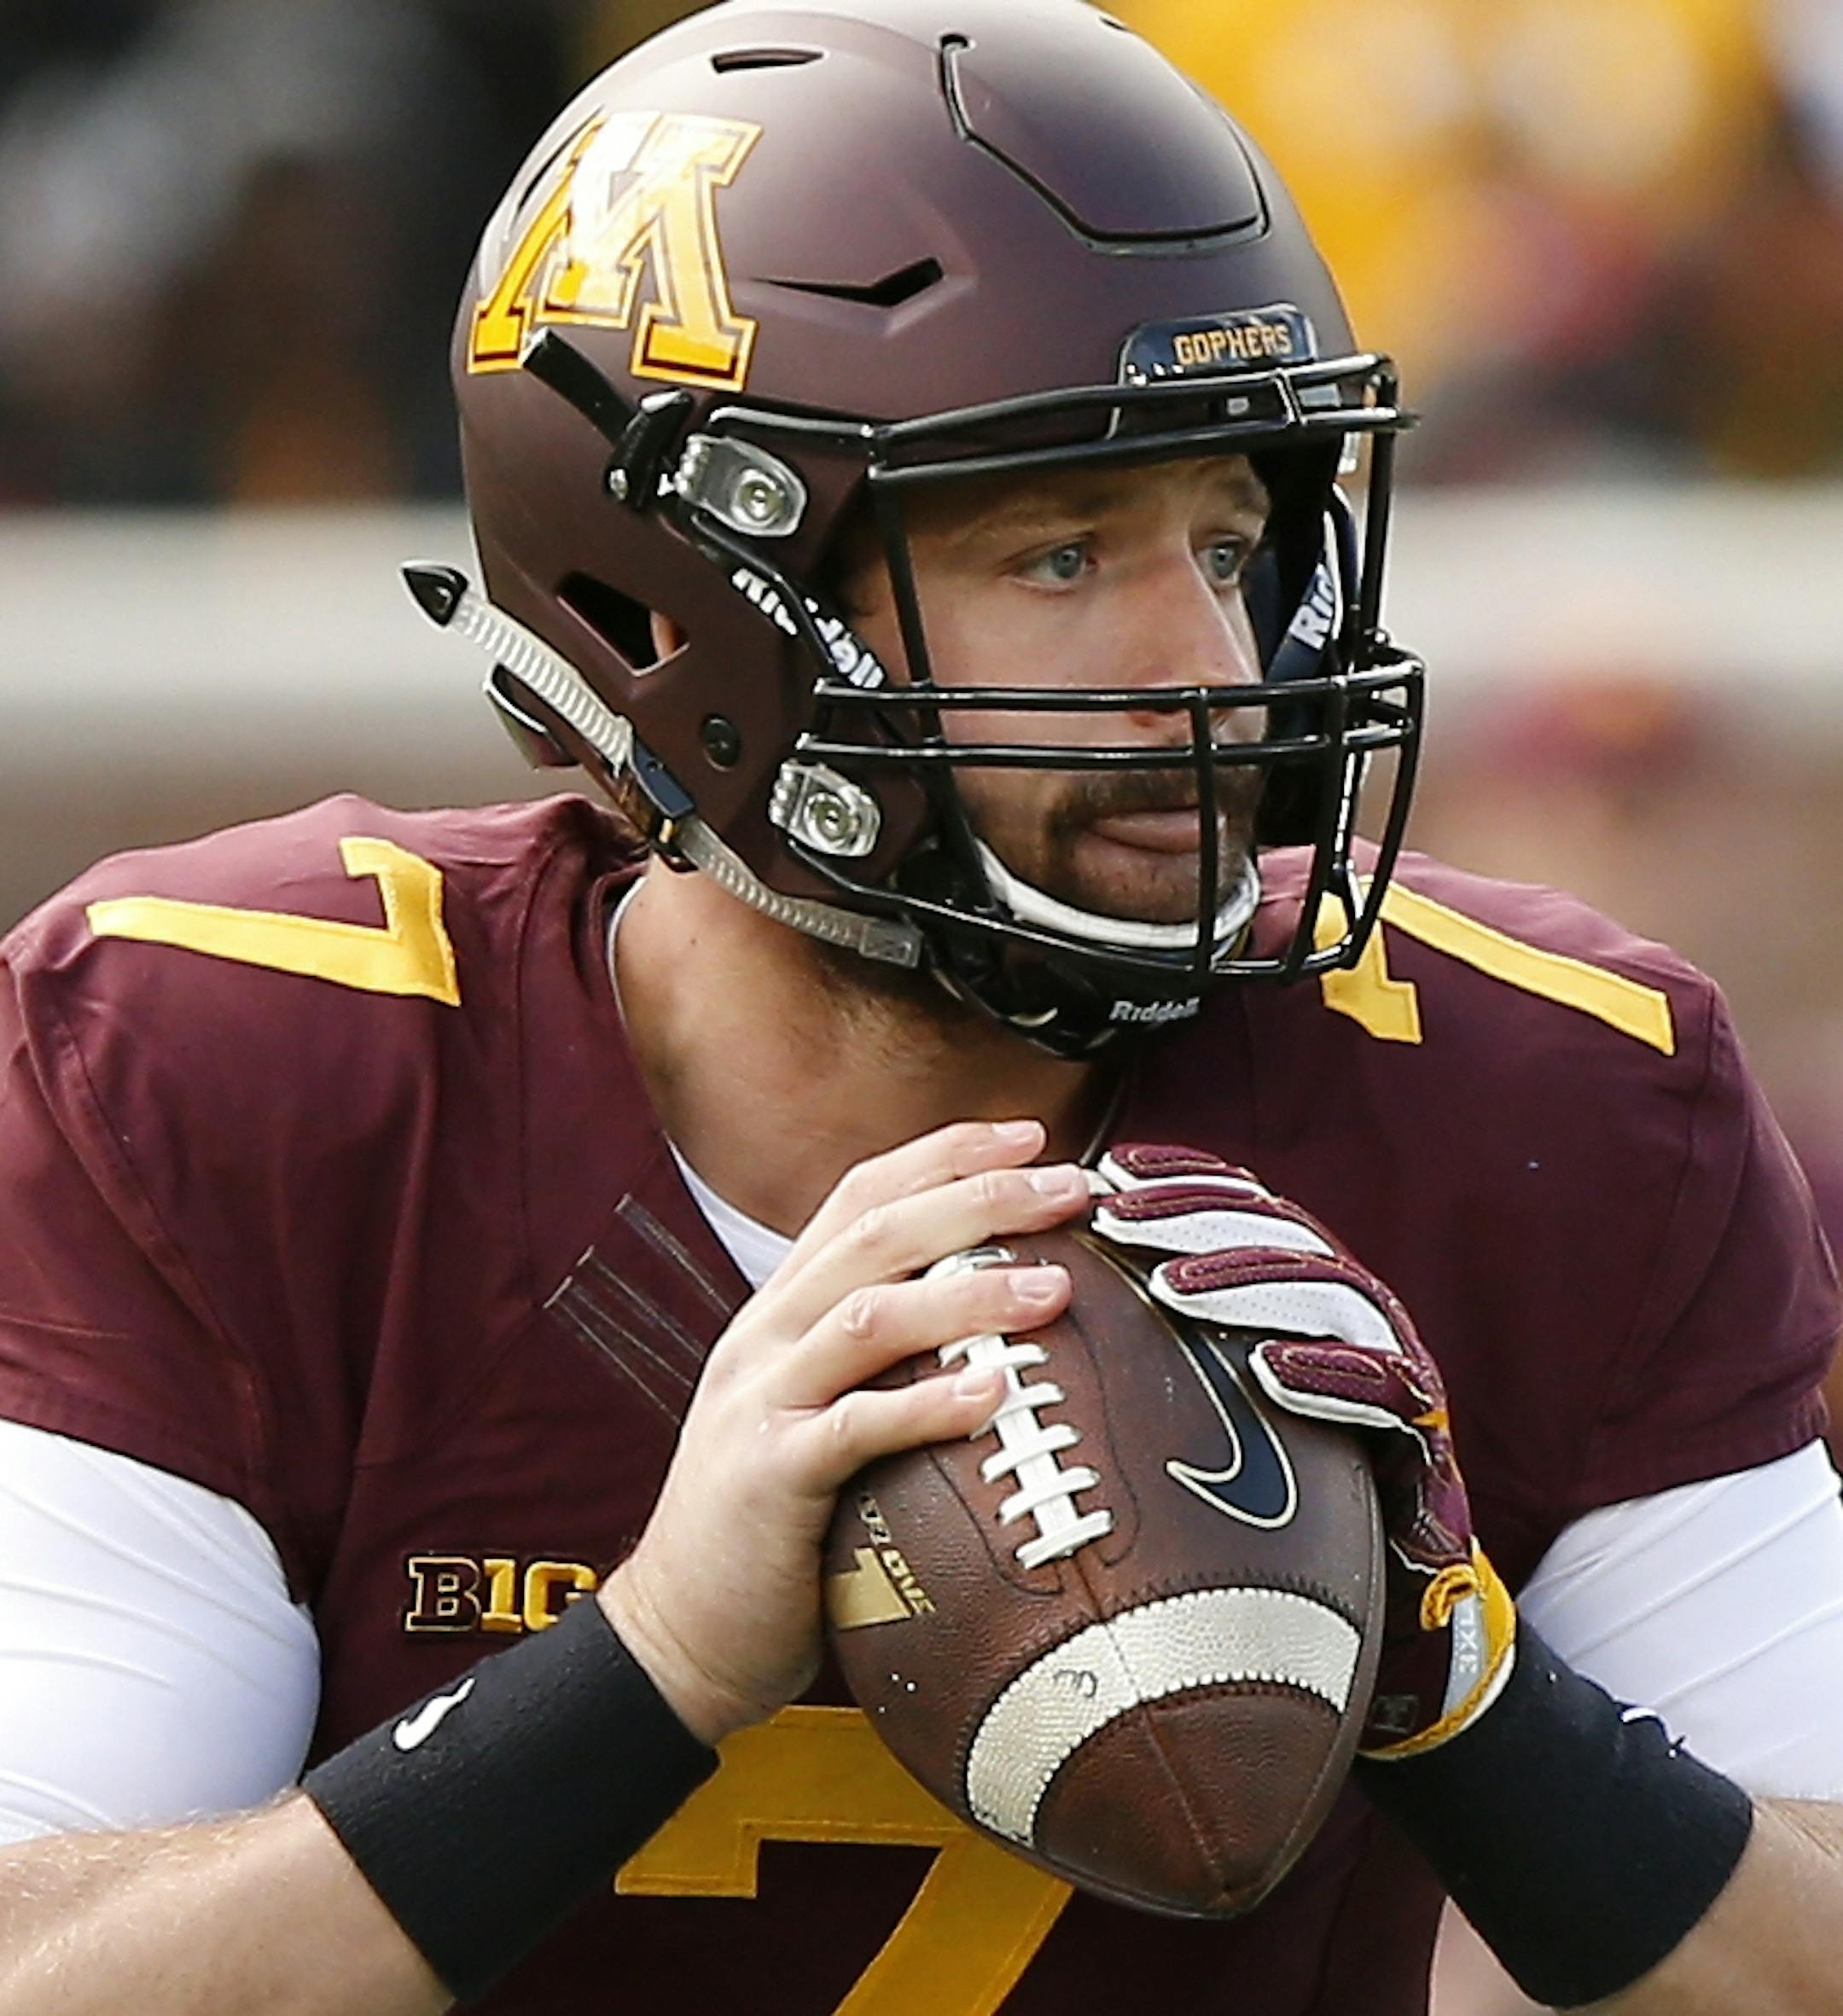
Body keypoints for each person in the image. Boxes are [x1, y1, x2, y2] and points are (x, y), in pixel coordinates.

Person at [1, 2, 1840, 2012]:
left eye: (1230, 543)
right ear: (677, 596)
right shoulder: (239, 1065)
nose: (1206, 665)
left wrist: (1473, 1692)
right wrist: (650, 1670)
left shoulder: (1538, 1098)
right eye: (1060, 553)